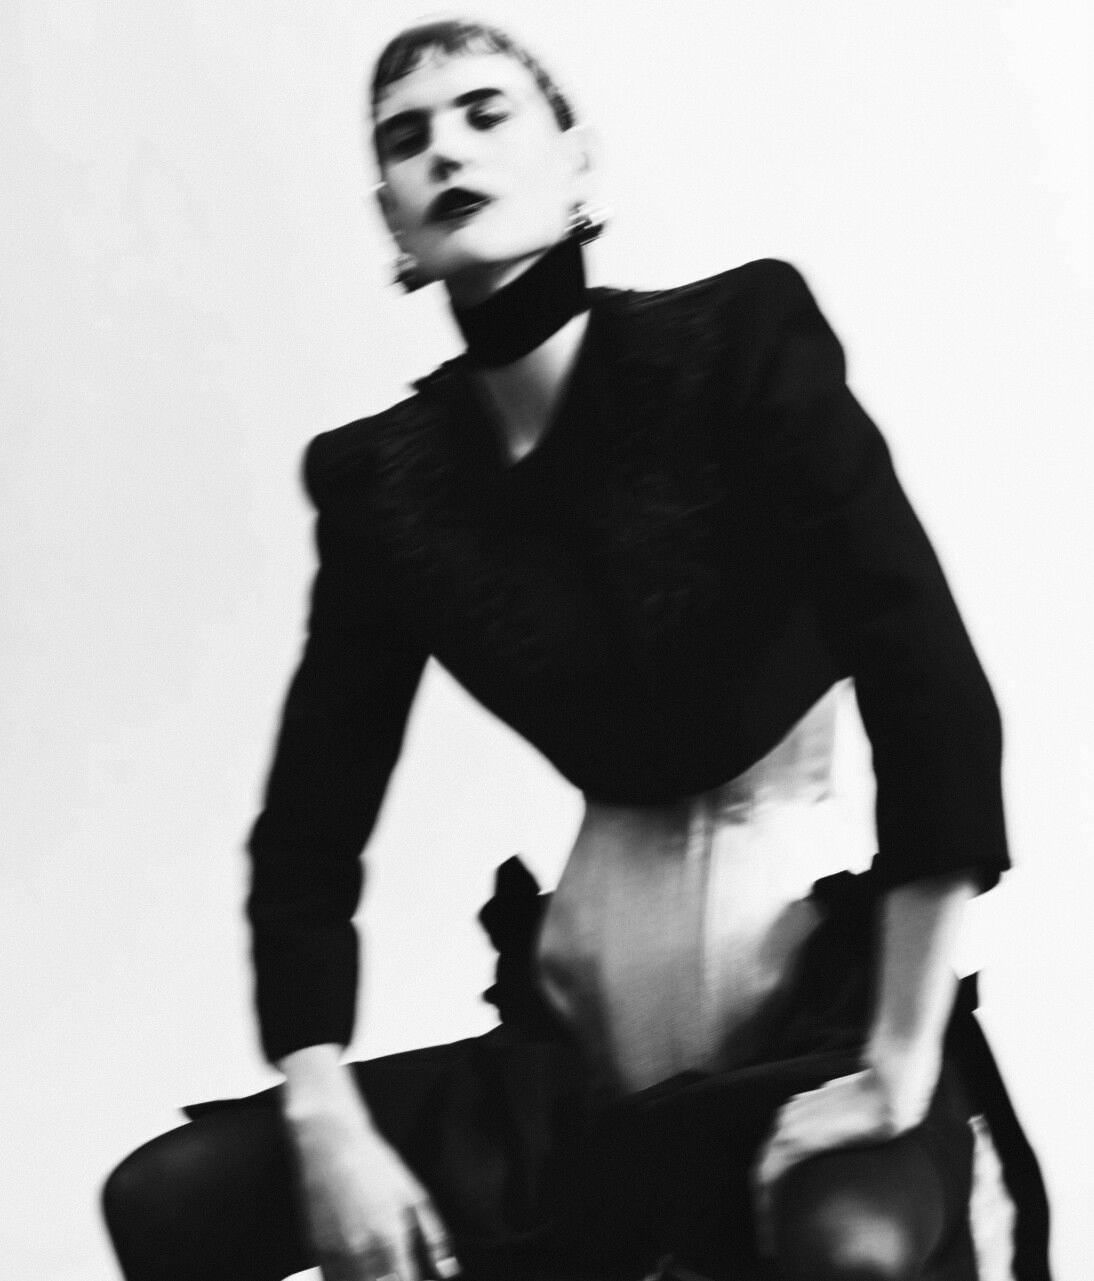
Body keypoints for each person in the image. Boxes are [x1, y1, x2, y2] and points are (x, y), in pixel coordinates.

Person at [101, 18, 1051, 1281]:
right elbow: (309, 831)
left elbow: (929, 688)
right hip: (577, 1059)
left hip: (820, 1022)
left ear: (576, 161)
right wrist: (325, 1111)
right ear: (391, 220)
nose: (446, 151)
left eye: (486, 113)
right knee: (169, 1197)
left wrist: (897, 1061)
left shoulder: (737, 344)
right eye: (406, 139)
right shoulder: (383, 483)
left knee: (847, 1249)